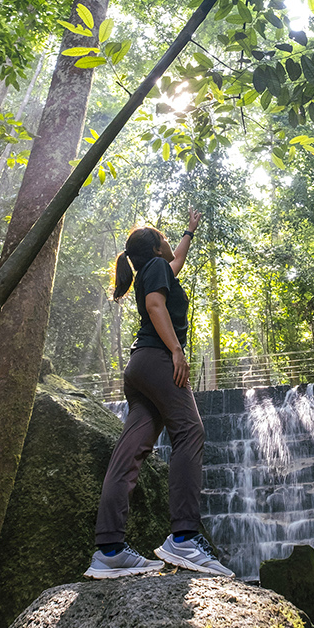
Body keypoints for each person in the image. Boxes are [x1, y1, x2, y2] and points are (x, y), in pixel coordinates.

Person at [85, 211, 233, 579]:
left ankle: (109, 550)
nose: (170, 244)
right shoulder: (155, 267)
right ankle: (183, 537)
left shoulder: (155, 267)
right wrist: (176, 352)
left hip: (138, 369)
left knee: (130, 451)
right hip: (157, 360)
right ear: (154, 247)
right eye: (165, 238)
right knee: (190, 432)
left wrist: (189, 231)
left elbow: (177, 259)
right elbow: (155, 306)